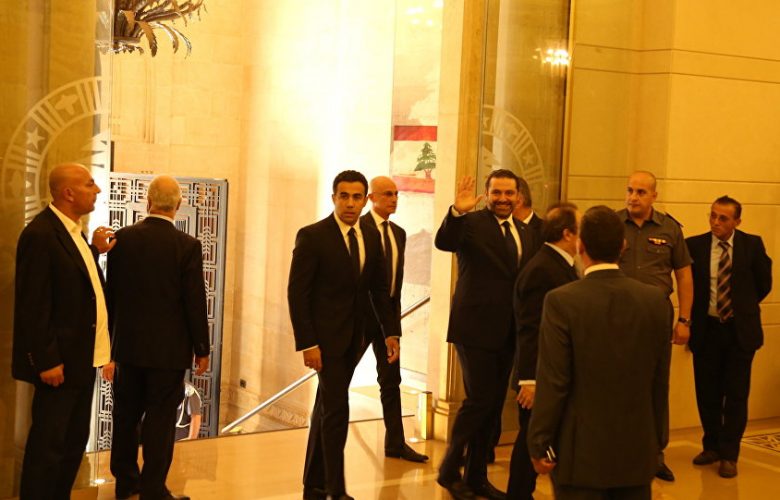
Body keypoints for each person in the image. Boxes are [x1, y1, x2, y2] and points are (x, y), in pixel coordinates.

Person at [528, 205, 671, 500]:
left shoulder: (562, 301)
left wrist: (539, 442)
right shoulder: (655, 300)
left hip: (580, 453)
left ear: (580, 245)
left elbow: (554, 381)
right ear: (623, 246)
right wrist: (658, 439)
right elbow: (660, 379)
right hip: (636, 448)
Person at [288, 170, 400, 500]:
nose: (350, 203)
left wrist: (391, 332)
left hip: (356, 339)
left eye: (356, 197)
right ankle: (336, 490)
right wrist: (308, 343)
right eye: (344, 196)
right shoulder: (313, 236)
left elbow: (379, 289)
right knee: (337, 409)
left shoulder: (370, 236)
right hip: (325, 342)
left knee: (327, 406)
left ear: (365, 201)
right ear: (334, 198)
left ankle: (314, 483)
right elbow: (298, 293)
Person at [11, 163, 114, 499]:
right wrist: (46, 360)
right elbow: (33, 304)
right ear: (68, 193)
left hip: (84, 359)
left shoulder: (74, 233)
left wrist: (95, 251)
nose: (97, 190)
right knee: (48, 449)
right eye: (90, 184)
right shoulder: (41, 234)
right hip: (60, 365)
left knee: (71, 445)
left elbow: (74, 281)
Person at [106, 175, 210, 500]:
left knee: (125, 417)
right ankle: (153, 489)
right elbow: (194, 301)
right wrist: (202, 348)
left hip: (127, 348)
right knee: (161, 420)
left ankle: (126, 482)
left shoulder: (122, 239)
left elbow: (111, 295)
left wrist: (109, 345)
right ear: (178, 205)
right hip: (168, 353)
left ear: (147, 202)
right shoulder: (187, 246)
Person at [435, 169, 533, 500]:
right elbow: (444, 242)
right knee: (478, 401)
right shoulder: (470, 223)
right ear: (487, 194)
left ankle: (476, 477)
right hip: (474, 328)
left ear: (518, 196)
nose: (503, 199)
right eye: (496, 193)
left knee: (491, 406)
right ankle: (450, 469)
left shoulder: (524, 230)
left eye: (509, 193)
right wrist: (456, 212)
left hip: (508, 331)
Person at [685, 196, 772, 478]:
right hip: (707, 330)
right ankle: (711, 446)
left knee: (735, 394)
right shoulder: (695, 246)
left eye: (723, 218)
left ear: (737, 221)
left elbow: (763, 284)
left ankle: (729, 454)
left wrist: (741, 307)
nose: (716, 222)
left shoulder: (752, 245)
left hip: (738, 331)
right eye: (712, 216)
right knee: (707, 392)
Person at [616, 170, 692, 482]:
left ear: (654, 196)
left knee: (656, 385)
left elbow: (684, 275)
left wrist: (684, 320)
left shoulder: (669, 228)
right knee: (616, 382)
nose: (633, 197)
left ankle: (655, 455)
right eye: (630, 190)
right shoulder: (612, 224)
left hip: (655, 316)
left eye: (641, 192)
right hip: (616, 315)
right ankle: (617, 451)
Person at [506, 202, 580, 500]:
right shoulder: (543, 269)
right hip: (536, 377)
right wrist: (529, 380)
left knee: (535, 439)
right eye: (581, 229)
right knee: (530, 441)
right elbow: (530, 328)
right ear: (568, 234)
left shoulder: (558, 264)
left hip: (545, 373)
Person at [359, 176, 428, 463]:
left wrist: (394, 329)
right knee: (337, 382)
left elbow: (393, 287)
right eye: (387, 194)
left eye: (396, 194)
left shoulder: (398, 233)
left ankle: (396, 443)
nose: (393, 199)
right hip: (360, 319)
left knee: (391, 381)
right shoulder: (359, 229)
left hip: (387, 320)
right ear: (372, 198)